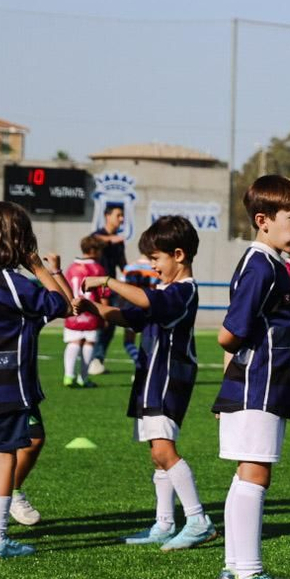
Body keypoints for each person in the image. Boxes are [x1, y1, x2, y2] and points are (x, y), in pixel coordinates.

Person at [86, 215, 216, 551]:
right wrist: (95, 307)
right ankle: (164, 523)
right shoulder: (165, 289)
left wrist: (109, 281)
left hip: (168, 378)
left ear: (179, 255)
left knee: (164, 450)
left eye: (156, 259)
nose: (153, 266)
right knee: (156, 456)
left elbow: (149, 303)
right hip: (150, 377)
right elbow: (133, 316)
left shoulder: (184, 291)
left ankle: (198, 520)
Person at [212, 175, 290, 579]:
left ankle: (235, 570)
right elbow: (229, 333)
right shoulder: (262, 266)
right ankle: (248, 574)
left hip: (259, 385)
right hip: (259, 385)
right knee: (256, 472)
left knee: (247, 474)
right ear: (263, 220)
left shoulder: (269, 263)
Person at [0, 202, 73, 560]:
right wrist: (39, 267)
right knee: (3, 456)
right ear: (21, 240)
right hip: (6, 387)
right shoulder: (13, 284)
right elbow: (61, 304)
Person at [62, 235, 109, 388]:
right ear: (94, 250)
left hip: (74, 312)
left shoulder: (71, 267)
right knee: (89, 343)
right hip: (92, 311)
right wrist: (107, 314)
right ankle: (84, 378)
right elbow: (104, 294)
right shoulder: (98, 268)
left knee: (73, 341)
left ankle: (68, 376)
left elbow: (65, 288)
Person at [88, 203, 128, 375]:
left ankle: (97, 359)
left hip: (110, 288)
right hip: (95, 288)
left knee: (110, 324)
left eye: (122, 215)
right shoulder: (98, 237)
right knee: (97, 324)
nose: (122, 219)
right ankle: (91, 360)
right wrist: (110, 239)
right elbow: (92, 240)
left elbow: (123, 265)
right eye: (118, 215)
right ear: (107, 216)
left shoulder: (118, 242)